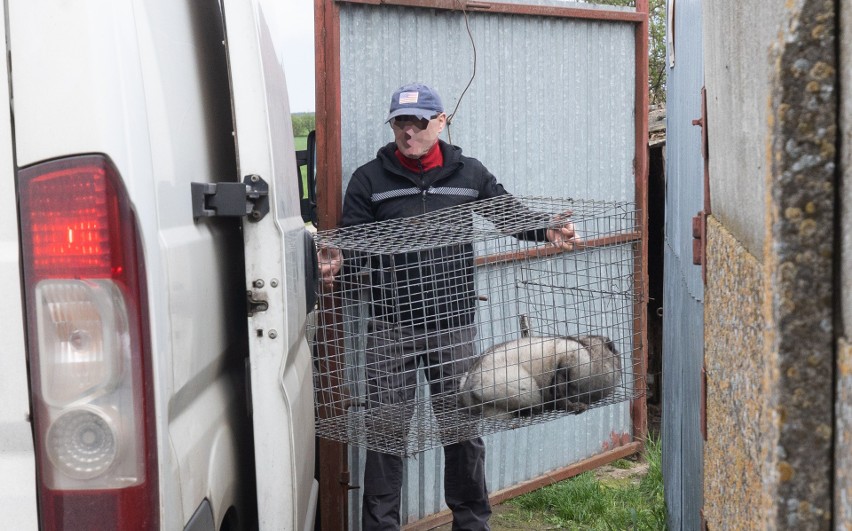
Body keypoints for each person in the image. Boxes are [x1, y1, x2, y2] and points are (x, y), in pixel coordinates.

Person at [317, 83, 577, 531]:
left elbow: (508, 214)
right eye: (401, 122)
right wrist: (338, 260)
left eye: (419, 122)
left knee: (462, 429)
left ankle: (472, 523)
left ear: (440, 122)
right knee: (385, 433)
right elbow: (354, 243)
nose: (409, 132)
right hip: (389, 325)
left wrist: (547, 229)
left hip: (453, 325)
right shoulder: (370, 179)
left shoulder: (467, 172)